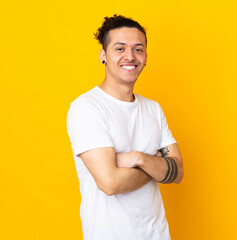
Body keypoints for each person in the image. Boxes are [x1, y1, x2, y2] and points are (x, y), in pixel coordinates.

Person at [67, 14, 184, 240]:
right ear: (104, 55)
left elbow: (177, 172)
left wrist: (138, 158)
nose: (130, 56)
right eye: (120, 48)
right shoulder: (86, 108)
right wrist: (156, 163)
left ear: (146, 57)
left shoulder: (153, 108)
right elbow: (110, 183)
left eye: (138, 49)